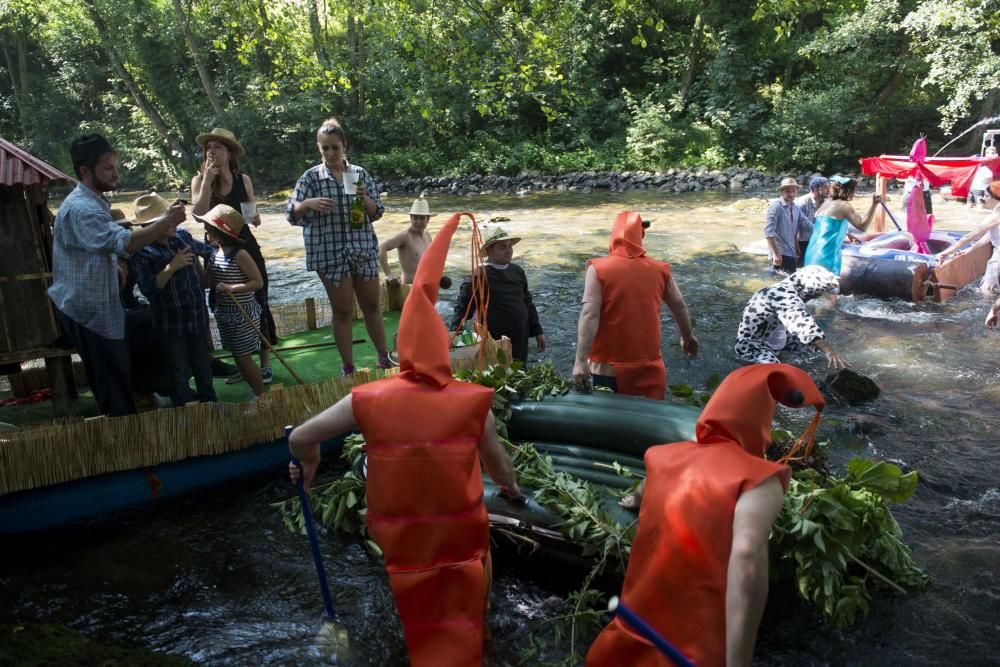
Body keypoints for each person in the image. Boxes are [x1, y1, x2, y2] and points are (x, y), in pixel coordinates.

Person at [288, 212, 521, 667]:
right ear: (443, 350)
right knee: (473, 591)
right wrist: (512, 490)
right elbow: (499, 468)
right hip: (460, 535)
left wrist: (310, 463)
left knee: (418, 611)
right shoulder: (474, 401)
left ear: (402, 352)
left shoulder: (367, 399)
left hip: (403, 543)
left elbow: (301, 436)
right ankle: (479, 632)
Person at [585, 364, 825, 667]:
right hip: (690, 654)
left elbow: (641, 491)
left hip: (623, 645)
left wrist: (633, 499)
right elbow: (747, 560)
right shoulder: (759, 479)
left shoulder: (662, 457)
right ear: (760, 420)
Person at [48, 134, 185, 417]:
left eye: (115, 167)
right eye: (108, 168)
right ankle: (126, 438)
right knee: (112, 384)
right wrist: (167, 221)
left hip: (101, 304)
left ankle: (152, 394)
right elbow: (126, 242)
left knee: (146, 334)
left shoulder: (94, 202)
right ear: (85, 171)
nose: (115, 174)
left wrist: (119, 264)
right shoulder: (81, 208)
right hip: (87, 309)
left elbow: (109, 246)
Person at [287, 117, 391, 375]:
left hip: (362, 248)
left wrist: (364, 198)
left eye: (335, 147)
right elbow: (290, 214)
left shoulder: (359, 174)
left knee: (372, 306)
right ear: (319, 148)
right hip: (329, 252)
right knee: (343, 311)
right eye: (325, 148)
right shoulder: (311, 178)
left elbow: (377, 211)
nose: (331, 153)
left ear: (344, 145)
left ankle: (383, 356)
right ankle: (348, 367)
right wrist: (308, 204)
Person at [571, 211, 698, 399]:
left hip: (608, 368)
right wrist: (688, 338)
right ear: (641, 236)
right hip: (650, 368)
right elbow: (680, 306)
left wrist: (580, 361)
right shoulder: (660, 269)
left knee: (611, 424)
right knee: (649, 423)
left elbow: (590, 314)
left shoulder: (598, 268)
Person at [191, 127, 276, 385]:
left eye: (218, 147)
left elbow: (251, 216)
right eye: (208, 148)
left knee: (259, 300)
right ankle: (244, 361)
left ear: (229, 153)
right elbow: (197, 215)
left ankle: (264, 365)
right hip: (216, 249)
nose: (211, 152)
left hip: (247, 246)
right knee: (227, 302)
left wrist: (256, 217)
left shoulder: (243, 179)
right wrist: (207, 181)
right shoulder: (199, 181)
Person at [129, 194, 218, 407]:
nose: (171, 223)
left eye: (170, 218)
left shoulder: (182, 237)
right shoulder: (141, 252)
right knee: (179, 370)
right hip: (169, 323)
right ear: (150, 226)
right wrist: (172, 266)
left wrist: (210, 273)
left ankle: (211, 405)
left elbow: (211, 252)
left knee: (202, 365)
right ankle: (184, 411)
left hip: (196, 315)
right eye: (165, 220)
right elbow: (148, 288)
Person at [451, 227, 545, 364]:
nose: (509, 250)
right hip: (494, 341)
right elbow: (462, 311)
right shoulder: (477, 277)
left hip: (520, 337)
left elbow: (527, 302)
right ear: (489, 250)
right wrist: (456, 345)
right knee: (499, 379)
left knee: (520, 374)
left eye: (509, 246)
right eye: (502, 247)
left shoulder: (517, 271)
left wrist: (537, 330)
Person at [200, 204, 266, 398]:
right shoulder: (214, 253)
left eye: (209, 229)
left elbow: (258, 282)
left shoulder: (240, 254)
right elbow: (207, 282)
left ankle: (261, 395)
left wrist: (232, 288)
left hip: (243, 313)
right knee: (238, 355)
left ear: (221, 232)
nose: (205, 232)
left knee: (244, 357)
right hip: (225, 312)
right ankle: (254, 388)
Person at [734, 265, 848, 369]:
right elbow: (804, 326)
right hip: (752, 345)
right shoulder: (783, 295)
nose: (817, 296)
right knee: (777, 371)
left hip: (776, 336)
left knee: (815, 350)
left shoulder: (785, 288)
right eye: (818, 292)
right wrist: (829, 350)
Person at [803, 175, 880, 275]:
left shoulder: (826, 203)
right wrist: (874, 204)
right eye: (854, 190)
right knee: (830, 289)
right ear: (848, 191)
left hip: (811, 255)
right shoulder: (844, 205)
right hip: (826, 256)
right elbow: (862, 226)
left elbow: (830, 228)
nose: (854, 193)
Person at [937, 179, 1000, 293]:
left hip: (998, 259)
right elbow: (991, 236)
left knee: (987, 291)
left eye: (986, 196)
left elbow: (970, 236)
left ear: (995, 197)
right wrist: (970, 249)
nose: (983, 199)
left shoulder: (995, 216)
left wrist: (947, 251)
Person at [379, 198, 435, 285]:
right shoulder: (405, 236)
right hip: (409, 289)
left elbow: (431, 262)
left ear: (428, 219)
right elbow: (381, 247)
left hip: (426, 288)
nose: (418, 222)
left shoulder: (427, 236)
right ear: (410, 218)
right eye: (415, 218)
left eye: (422, 218)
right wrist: (388, 274)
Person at [764, 177, 811, 273]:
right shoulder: (776, 207)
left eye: (794, 191)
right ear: (782, 191)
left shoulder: (796, 207)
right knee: (781, 281)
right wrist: (776, 254)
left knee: (785, 280)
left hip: (791, 251)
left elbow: (806, 224)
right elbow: (768, 233)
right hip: (780, 252)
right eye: (788, 191)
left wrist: (824, 232)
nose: (791, 194)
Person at [794, 176, 828, 262]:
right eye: (826, 188)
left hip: (818, 241)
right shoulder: (801, 203)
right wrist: (796, 248)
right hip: (802, 243)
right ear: (816, 189)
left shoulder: (826, 202)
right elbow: (793, 228)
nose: (829, 190)